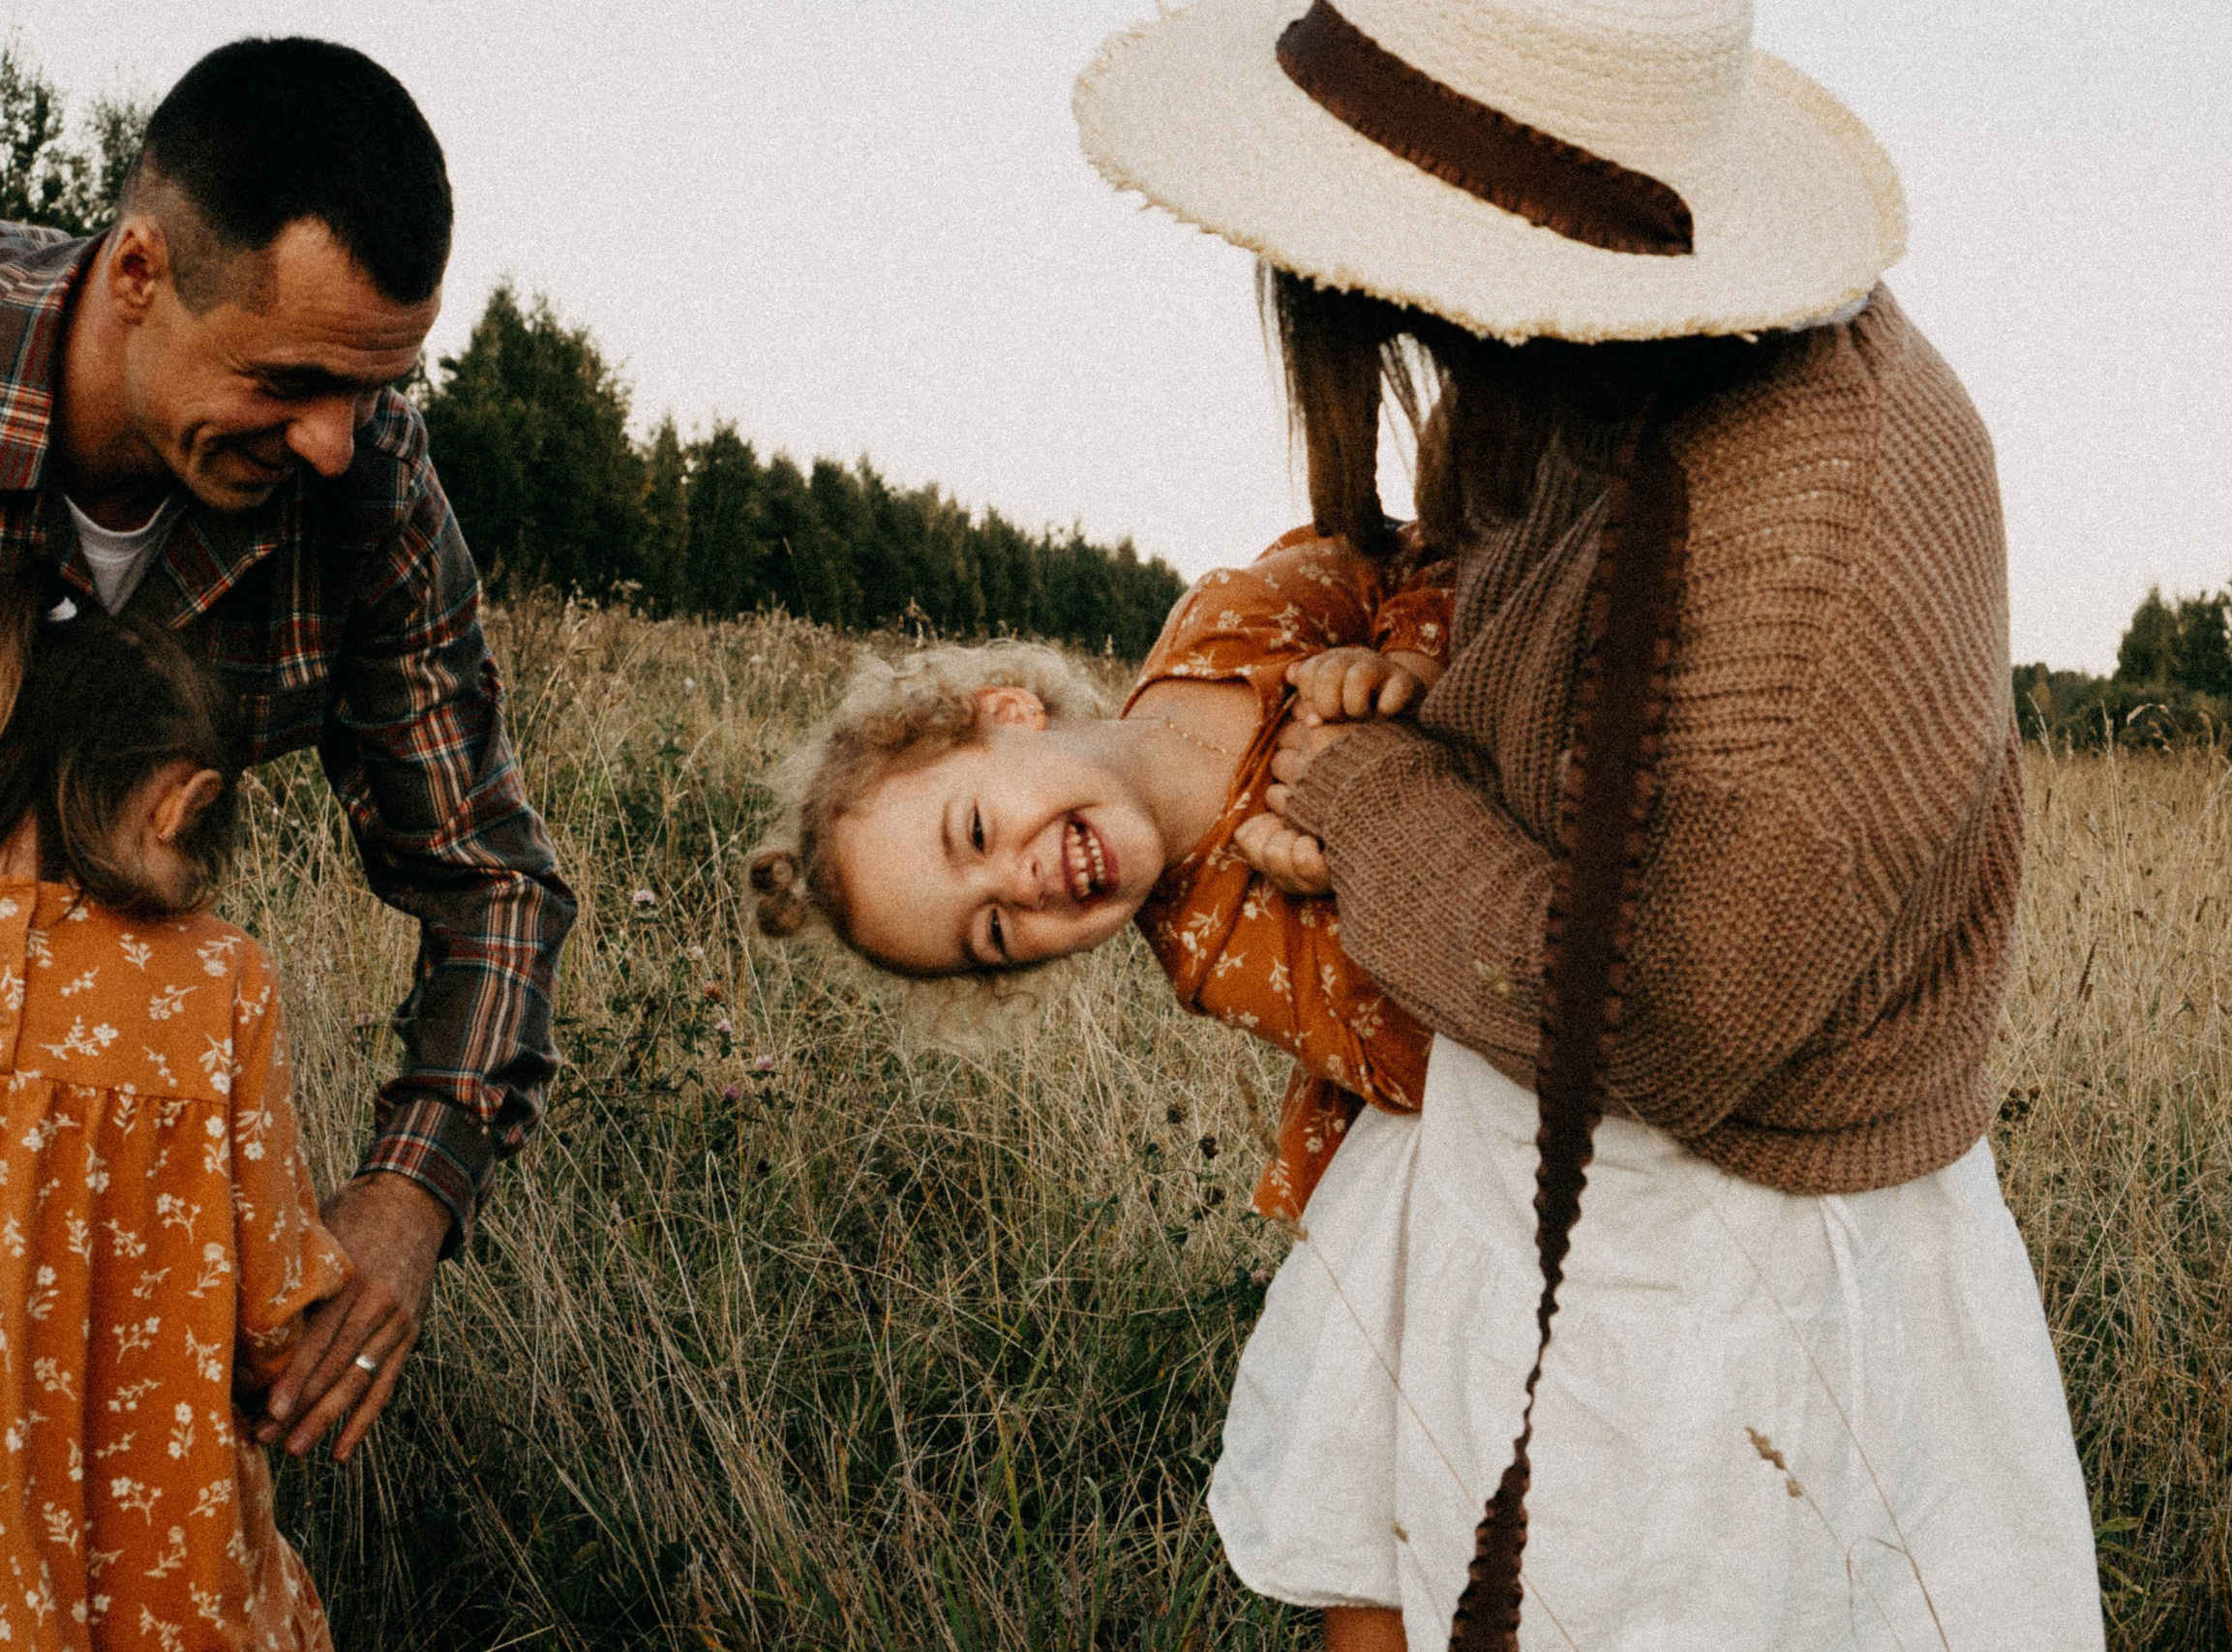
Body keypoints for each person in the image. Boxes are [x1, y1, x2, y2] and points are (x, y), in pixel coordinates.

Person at [1077, 2, 2105, 1649]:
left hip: (1719, 1287)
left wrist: (1356, 792)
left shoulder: (1814, 520)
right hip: (1526, 1169)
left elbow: (1673, 1012)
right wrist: (1403, 661)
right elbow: (1493, 587)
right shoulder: (1574, 360)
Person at [0, 38, 575, 1464]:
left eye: (376, 384)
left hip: (98, 1175)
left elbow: (490, 878)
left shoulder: (370, 490)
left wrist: (410, 1196)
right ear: (140, 274)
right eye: (295, 378)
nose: (333, 438)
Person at [749, 527, 1448, 1218]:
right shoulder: (1226, 952)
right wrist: (1369, 851)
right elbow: (1433, 1053)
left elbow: (1434, 547)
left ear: (1006, 712)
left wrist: (1407, 667)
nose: (1021, 886)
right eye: (993, 929)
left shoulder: (1224, 626)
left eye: (977, 832)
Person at [0, 597, 352, 1649]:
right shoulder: (218, 978)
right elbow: (273, 1302)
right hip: (164, 1553)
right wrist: (281, 1357)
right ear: (180, 800)